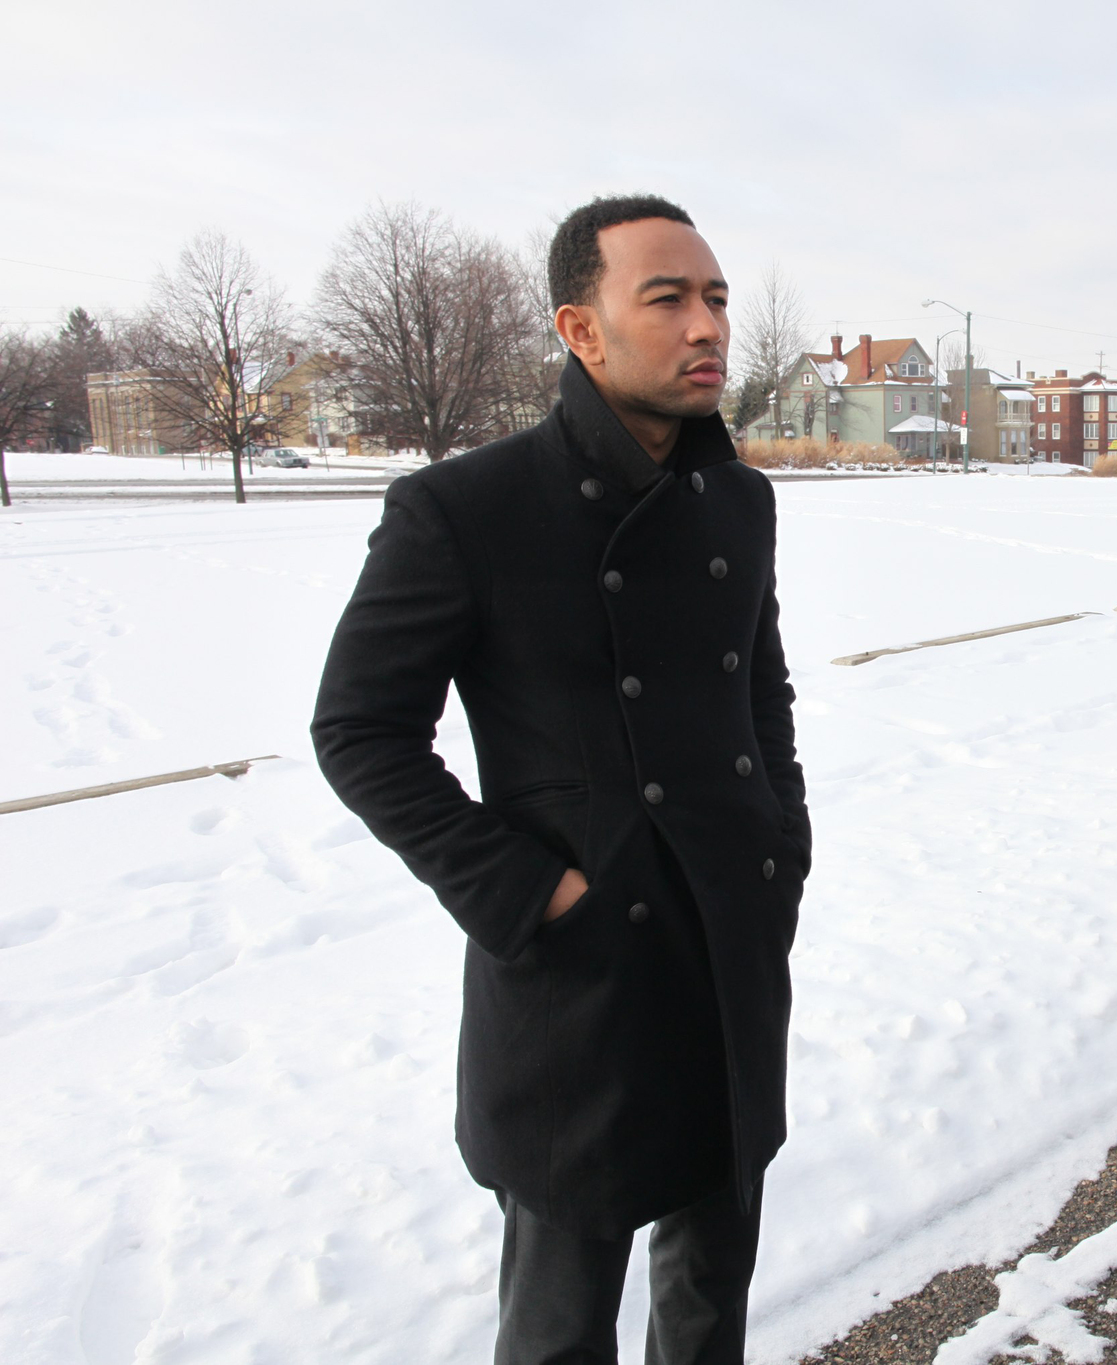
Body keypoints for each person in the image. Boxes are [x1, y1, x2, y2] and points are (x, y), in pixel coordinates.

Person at [312, 194, 808, 1365]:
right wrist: (529, 894)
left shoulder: (736, 496)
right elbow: (360, 731)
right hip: (578, 980)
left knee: (707, 1301)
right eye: (668, 298)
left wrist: (778, 843)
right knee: (557, 1326)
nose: (707, 327)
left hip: (727, 947)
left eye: (717, 298)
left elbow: (763, 693)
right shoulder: (463, 509)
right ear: (580, 331)